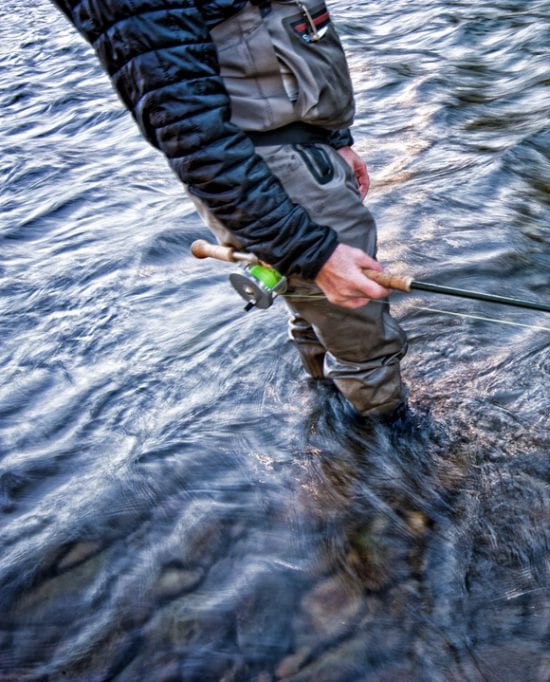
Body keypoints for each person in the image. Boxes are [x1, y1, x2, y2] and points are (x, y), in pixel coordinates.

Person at [52, 0, 408, 417]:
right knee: (363, 338)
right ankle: (387, 441)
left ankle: (338, 436)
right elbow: (189, 130)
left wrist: (332, 138)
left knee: (315, 308)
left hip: (300, 156)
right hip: (271, 174)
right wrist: (308, 250)